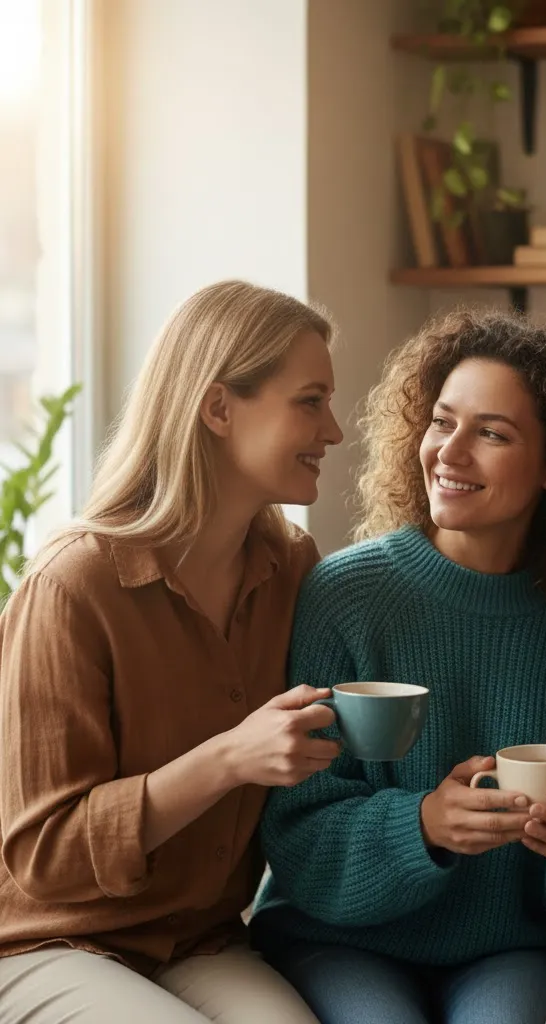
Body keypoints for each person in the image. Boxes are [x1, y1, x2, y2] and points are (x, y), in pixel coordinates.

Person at [249, 309, 546, 1024]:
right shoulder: (344, 594)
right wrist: (425, 824)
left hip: (515, 947)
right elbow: (296, 834)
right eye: (442, 422)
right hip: (339, 940)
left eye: (492, 433)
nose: (450, 452)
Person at [0, 280, 344, 1024]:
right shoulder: (73, 585)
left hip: (201, 939)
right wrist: (229, 758)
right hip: (48, 941)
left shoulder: (293, 568)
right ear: (219, 408)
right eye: (310, 401)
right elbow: (44, 856)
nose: (336, 430)